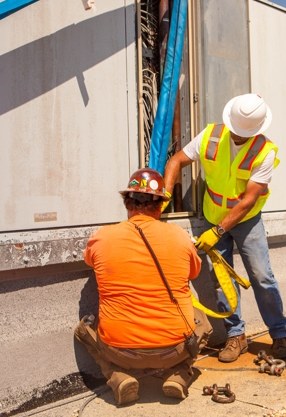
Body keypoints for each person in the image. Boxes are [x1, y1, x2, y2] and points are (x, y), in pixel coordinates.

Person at [163, 93, 286, 363]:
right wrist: (163, 198)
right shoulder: (211, 135)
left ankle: (279, 335)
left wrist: (218, 231)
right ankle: (237, 335)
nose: (238, 136)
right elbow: (176, 161)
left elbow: (248, 201)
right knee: (222, 282)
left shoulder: (265, 152)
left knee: (261, 277)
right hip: (213, 215)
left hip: (247, 220)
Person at [75, 168, 213, 405]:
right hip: (174, 350)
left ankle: (118, 377)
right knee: (202, 321)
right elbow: (194, 272)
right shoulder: (180, 236)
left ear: (128, 203)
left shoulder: (101, 237)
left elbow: (90, 259)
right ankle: (178, 375)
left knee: (83, 329)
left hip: (120, 352)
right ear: (160, 206)